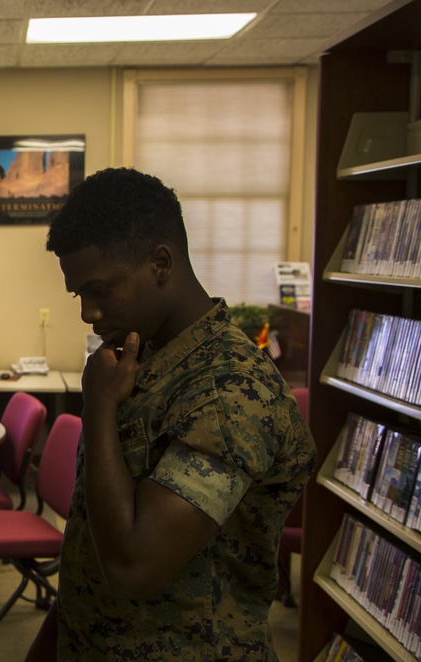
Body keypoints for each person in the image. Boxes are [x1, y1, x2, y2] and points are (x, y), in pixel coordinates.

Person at [27, 167, 316, 660]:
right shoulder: (146, 357)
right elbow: (94, 539)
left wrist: (97, 408)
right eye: (79, 294)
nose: (87, 312)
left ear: (161, 262)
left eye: (100, 289)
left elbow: (132, 564)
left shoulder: (230, 389)